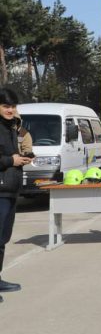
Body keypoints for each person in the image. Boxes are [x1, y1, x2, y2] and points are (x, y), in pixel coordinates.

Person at [0, 88, 31, 303]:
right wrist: (12, 161)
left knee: (2, 239)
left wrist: (22, 158)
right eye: (5, 106)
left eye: (13, 106)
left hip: (10, 190)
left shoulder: (10, 127)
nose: (10, 110)